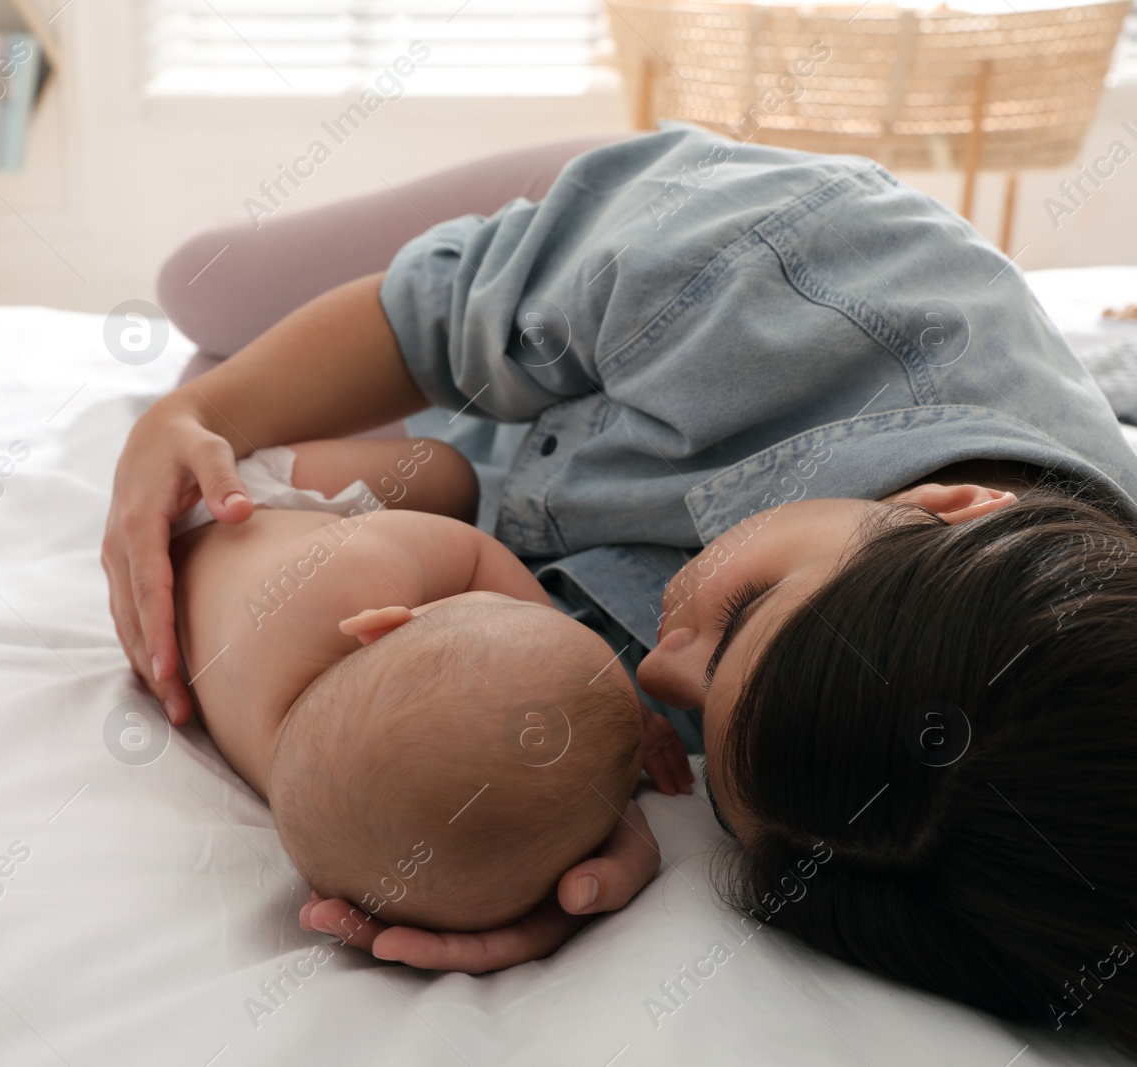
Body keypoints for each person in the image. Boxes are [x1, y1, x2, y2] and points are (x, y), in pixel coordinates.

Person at [102, 125, 1137, 1047]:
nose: (656, 668)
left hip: (508, 470)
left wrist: (510, 830)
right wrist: (194, 418)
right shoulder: (779, 269)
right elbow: (430, 315)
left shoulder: (937, 776)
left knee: (393, 472)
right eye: (733, 623)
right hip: (570, 270)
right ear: (943, 508)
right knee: (205, 293)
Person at [169, 435, 676, 932]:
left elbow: (476, 555)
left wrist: (611, 704)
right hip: (185, 593)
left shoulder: (355, 577)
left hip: (230, 505)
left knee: (444, 473)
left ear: (384, 624)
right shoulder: (307, 788)